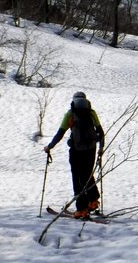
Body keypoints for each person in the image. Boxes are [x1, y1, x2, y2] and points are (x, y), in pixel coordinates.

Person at [44, 91, 105, 219]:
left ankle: (81, 209)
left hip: (76, 151)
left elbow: (60, 133)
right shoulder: (91, 113)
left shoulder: (70, 114)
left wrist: (49, 146)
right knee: (87, 175)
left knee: (77, 179)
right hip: (91, 149)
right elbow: (100, 132)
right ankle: (93, 201)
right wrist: (101, 148)